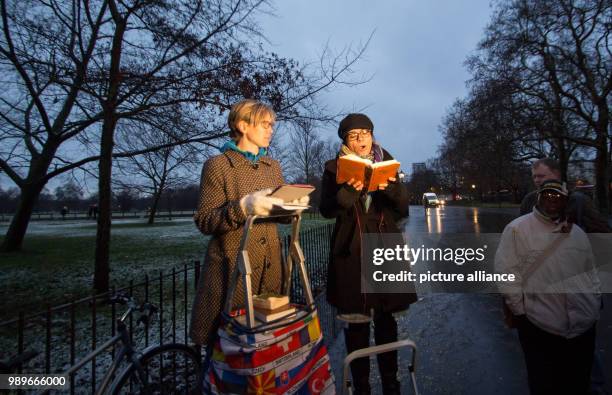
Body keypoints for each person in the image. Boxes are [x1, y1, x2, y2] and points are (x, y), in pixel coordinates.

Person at [189, 99, 301, 354]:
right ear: (242, 125)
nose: (270, 129)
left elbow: (276, 215)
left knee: (267, 346)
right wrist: (243, 207)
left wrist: (292, 206)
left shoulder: (273, 167)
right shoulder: (218, 165)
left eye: (272, 124)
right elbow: (205, 220)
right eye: (264, 124)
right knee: (227, 351)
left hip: (270, 269)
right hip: (231, 272)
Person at [319, 113, 416, 394]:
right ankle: (361, 386)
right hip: (352, 250)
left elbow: (402, 211)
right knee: (357, 324)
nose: (361, 139)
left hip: (384, 246)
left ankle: (391, 382)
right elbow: (326, 210)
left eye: (365, 132)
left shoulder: (388, 162)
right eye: (353, 135)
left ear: (372, 135)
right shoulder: (332, 168)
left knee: (387, 322)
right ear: (345, 140)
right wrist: (347, 193)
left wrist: (394, 189)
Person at [496, 179, 601, 395]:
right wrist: (520, 312)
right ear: (539, 197)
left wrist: (595, 301)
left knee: (578, 383)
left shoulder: (577, 233)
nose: (552, 200)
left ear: (565, 200)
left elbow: (591, 271)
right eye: (547, 195)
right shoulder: (517, 229)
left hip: (583, 327)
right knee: (544, 384)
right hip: (541, 325)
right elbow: (506, 273)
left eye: (557, 196)